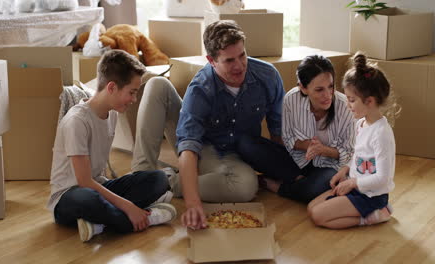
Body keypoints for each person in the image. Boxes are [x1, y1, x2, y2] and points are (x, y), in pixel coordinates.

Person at [131, 20, 285, 230]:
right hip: (202, 145)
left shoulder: (268, 76)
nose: (239, 65)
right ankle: (142, 178)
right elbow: (188, 145)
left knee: (245, 187)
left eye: (242, 55)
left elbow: (278, 129)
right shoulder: (200, 88)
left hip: (235, 153)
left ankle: (166, 180)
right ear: (211, 60)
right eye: (229, 60)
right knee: (157, 84)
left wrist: (279, 171)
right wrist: (193, 204)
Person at [47, 50, 177, 242]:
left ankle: (98, 224)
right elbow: (84, 182)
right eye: (132, 92)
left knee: (158, 179)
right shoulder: (77, 121)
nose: (134, 99)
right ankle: (145, 217)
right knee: (89, 199)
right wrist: (129, 206)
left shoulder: (113, 114)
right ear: (111, 87)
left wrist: (123, 200)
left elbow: (97, 180)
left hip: (98, 186)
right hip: (69, 197)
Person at [237, 55, 355, 203]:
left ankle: (278, 186)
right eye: (319, 89)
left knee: (320, 186)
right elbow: (287, 139)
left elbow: (350, 153)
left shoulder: (345, 107)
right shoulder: (291, 99)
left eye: (330, 86)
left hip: (329, 167)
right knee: (245, 144)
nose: (327, 95)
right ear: (303, 88)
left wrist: (322, 150)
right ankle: (298, 180)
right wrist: (307, 146)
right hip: (296, 161)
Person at [307, 52, 400, 229]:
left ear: (370, 101)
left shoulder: (381, 133)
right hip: (356, 187)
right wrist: (344, 170)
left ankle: (375, 215)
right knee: (312, 208)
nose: (347, 105)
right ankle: (366, 210)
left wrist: (352, 183)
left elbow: (382, 178)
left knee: (318, 217)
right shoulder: (361, 124)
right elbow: (358, 155)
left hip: (371, 195)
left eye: (351, 100)